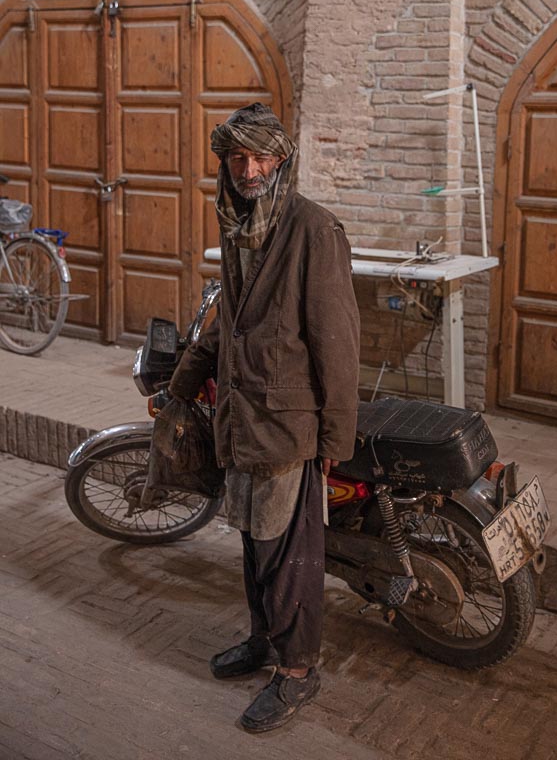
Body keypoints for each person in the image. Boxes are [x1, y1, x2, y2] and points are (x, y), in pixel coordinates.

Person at [168, 102, 360, 733]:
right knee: (252, 541)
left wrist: (335, 435)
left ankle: (299, 672)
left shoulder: (313, 230)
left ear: (282, 160)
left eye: (261, 157)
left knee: (288, 553)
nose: (249, 169)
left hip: (287, 424)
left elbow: (336, 342)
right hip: (243, 418)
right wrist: (183, 383)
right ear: (225, 162)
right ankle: (262, 642)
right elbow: (230, 319)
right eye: (238, 158)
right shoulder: (239, 223)